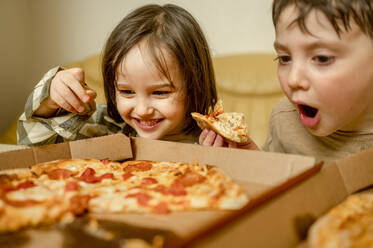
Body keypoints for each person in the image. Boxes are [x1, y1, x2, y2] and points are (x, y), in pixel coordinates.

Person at [17, 4, 217, 146]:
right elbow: (32, 145)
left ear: (195, 85)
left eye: (160, 93)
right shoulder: (106, 127)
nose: (142, 110)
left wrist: (246, 155)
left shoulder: (214, 142)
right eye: (127, 91)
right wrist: (49, 103)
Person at [201, 0, 373, 165]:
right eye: (285, 58)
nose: (293, 79)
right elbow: (277, 179)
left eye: (322, 58)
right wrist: (252, 162)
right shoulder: (285, 120)